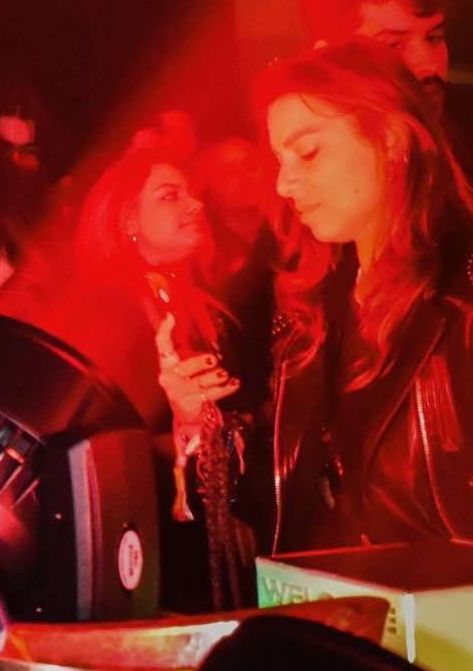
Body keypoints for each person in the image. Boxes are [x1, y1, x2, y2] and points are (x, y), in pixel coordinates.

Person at [259, 40, 473, 552]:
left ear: (392, 136)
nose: (285, 183)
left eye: (308, 151)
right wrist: (203, 427)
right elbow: (295, 508)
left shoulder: (461, 292)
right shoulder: (317, 304)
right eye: (278, 159)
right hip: (345, 620)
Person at [67, 145, 250, 607]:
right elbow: (108, 446)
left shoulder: (194, 302)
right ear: (127, 219)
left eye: (191, 193)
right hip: (152, 548)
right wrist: (181, 422)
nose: (197, 205)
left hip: (206, 537)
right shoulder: (109, 310)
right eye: (170, 196)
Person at [301, 0, 468, 171]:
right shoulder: (316, 172)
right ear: (329, 58)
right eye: (393, 45)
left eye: (433, 38)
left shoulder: (464, 127)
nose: (428, 64)